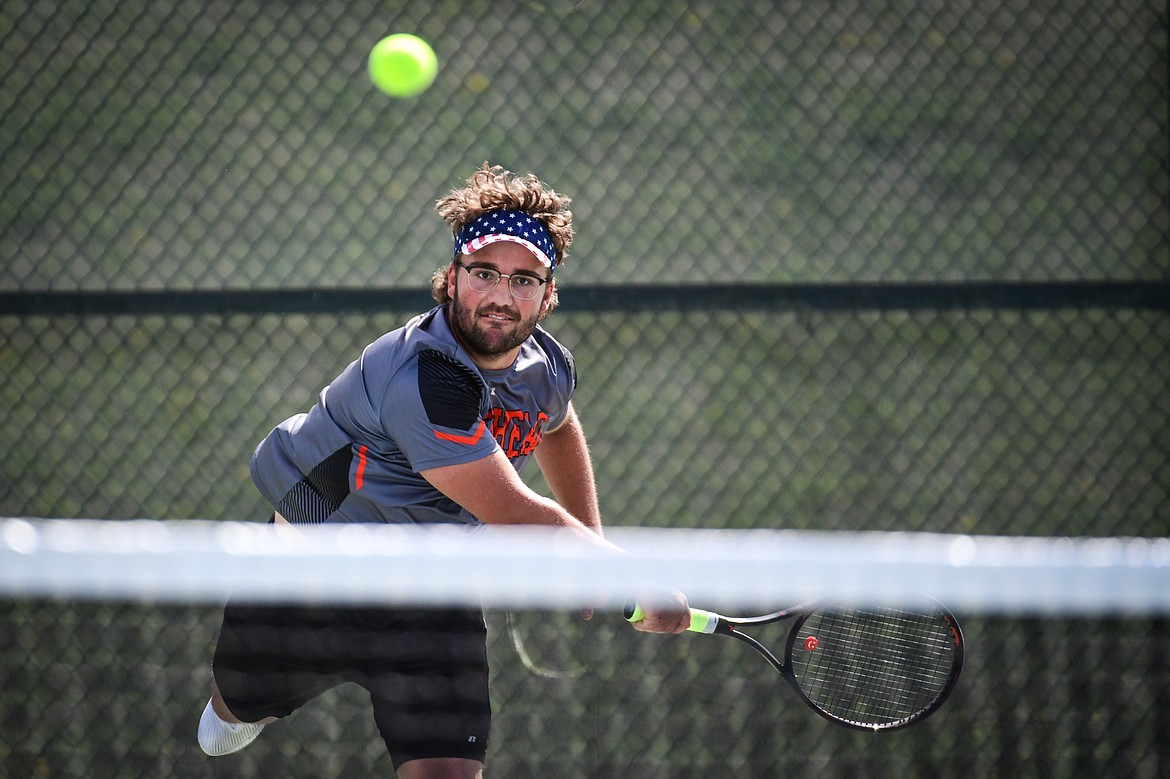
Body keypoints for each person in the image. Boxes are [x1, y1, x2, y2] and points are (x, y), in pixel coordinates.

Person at [197, 163, 691, 778]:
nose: (502, 296)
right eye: (484, 273)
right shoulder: (424, 379)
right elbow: (514, 512)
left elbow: (558, 427)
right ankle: (239, 701)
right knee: (226, 724)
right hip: (309, 577)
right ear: (453, 279)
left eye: (524, 279)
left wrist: (594, 546)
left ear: (549, 294)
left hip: (431, 589)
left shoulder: (545, 366)